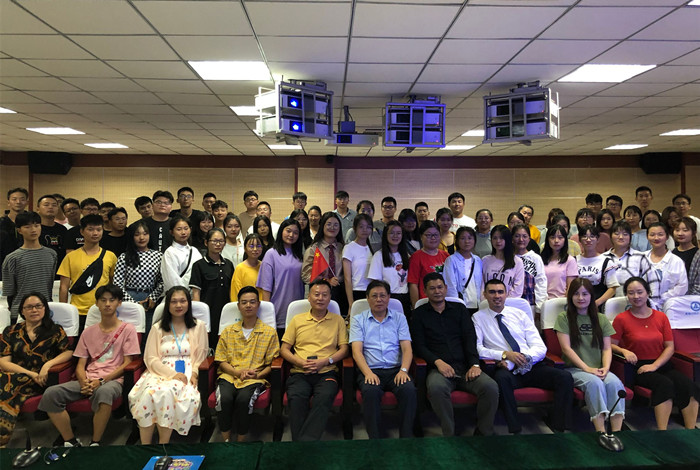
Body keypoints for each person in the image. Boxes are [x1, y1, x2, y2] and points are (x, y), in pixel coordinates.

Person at [39, 285, 140, 447]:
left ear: (119, 303)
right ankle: (70, 440)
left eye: (112, 300)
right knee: (51, 393)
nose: (107, 304)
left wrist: (101, 381)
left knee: (105, 392)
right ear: (97, 304)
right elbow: (80, 364)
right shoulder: (88, 332)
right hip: (87, 379)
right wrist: (83, 382)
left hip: (113, 380)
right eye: (103, 300)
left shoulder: (128, 329)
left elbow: (128, 362)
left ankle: (95, 442)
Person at [473, 279, 573, 434]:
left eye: (500, 292)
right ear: (485, 295)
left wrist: (521, 359)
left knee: (564, 377)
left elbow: (540, 346)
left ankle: (558, 426)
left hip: (531, 366)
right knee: (501, 379)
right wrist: (505, 355)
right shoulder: (478, 318)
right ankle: (515, 429)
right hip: (506, 370)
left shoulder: (520, 314)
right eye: (492, 292)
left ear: (506, 294)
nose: (497, 296)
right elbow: (478, 349)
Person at [412, 273, 499, 436]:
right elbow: (419, 346)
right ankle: (449, 433)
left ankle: (483, 432)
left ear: (446, 288)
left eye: (440, 287)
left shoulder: (459, 310)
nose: (437, 291)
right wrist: (438, 362)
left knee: (490, 387)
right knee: (436, 388)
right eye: (432, 288)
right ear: (425, 291)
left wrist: (474, 364)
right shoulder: (419, 314)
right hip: (438, 369)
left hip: (465, 367)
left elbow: (470, 338)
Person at [612, 277, 700, 430]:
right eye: (631, 293)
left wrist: (655, 365)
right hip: (637, 367)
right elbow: (610, 345)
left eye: (640, 292)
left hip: (661, 364)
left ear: (648, 293)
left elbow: (669, 347)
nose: (636, 296)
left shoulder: (661, 317)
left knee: (687, 385)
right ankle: (662, 431)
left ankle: (691, 430)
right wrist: (623, 350)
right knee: (664, 384)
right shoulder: (621, 319)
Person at [129, 286, 208, 444]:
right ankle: (145, 445)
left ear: (189, 303)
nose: (178, 305)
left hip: (187, 370)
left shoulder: (198, 326)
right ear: (167, 305)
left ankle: (162, 444)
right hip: (159, 371)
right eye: (174, 302)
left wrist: (194, 373)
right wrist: (172, 374)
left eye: (182, 301)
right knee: (149, 393)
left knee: (166, 392)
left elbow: (201, 354)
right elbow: (151, 358)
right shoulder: (158, 327)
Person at [0, 292, 72, 447]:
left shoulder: (55, 330)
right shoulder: (10, 331)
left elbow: (68, 352)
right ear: (22, 310)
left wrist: (47, 365)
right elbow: (4, 362)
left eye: (38, 306)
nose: (34, 310)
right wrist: (30, 373)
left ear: (45, 308)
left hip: (41, 380)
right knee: (7, 381)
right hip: (14, 377)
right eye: (29, 307)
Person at [280, 280, 349, 441]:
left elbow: (344, 349)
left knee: (324, 398)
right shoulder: (297, 320)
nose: (320, 298)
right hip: (300, 372)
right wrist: (299, 362)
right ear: (309, 298)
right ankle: (305, 444)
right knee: (296, 398)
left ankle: (303, 444)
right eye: (316, 294)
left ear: (330, 298)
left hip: (327, 372)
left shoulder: (338, 320)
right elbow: (284, 349)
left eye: (325, 295)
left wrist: (326, 361)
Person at [555, 279, 625, 435]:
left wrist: (606, 368)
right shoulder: (563, 317)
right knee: (594, 383)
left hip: (599, 368)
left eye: (585, 294)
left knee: (615, 384)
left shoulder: (601, 319)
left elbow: (607, 348)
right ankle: (601, 432)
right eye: (576, 294)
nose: (581, 298)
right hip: (574, 369)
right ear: (570, 297)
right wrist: (587, 368)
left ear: (591, 296)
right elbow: (566, 349)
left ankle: (617, 433)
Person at [350, 280, 416, 439]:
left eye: (382, 296)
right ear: (367, 298)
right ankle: (375, 439)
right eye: (374, 296)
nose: (379, 299)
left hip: (396, 370)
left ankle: (406, 437)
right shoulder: (358, 320)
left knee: (408, 390)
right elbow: (357, 352)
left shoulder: (399, 318)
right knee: (370, 392)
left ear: (389, 297)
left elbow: (407, 349)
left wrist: (404, 370)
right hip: (371, 370)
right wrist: (368, 373)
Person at [215, 286, 279, 442]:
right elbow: (221, 360)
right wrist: (236, 373)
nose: (248, 305)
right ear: (238, 306)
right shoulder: (228, 332)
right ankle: (226, 441)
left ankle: (240, 441)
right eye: (244, 302)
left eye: (252, 302)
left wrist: (257, 375)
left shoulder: (269, 332)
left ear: (258, 304)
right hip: (230, 376)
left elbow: (271, 364)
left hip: (254, 378)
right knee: (224, 399)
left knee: (244, 400)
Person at [58, 214, 118, 332]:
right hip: (77, 311)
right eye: (90, 229)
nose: (95, 233)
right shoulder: (70, 257)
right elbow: (63, 287)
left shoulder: (110, 256)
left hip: (102, 310)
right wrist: (64, 310)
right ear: (82, 231)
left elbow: (113, 284)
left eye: (98, 229)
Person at [1, 212, 57, 321]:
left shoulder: (51, 254)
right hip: (20, 313)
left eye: (37, 225)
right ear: (19, 230)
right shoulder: (12, 258)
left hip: (45, 310)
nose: (33, 230)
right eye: (27, 227)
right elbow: (9, 292)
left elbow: (49, 284)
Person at [257, 219, 305, 337]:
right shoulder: (271, 254)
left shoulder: (299, 255)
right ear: (281, 231)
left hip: (297, 309)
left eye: (295, 232)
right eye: (288, 231)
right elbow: (266, 287)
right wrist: (267, 314)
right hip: (278, 310)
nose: (291, 235)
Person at [113, 221, 164, 332]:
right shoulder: (124, 257)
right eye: (137, 234)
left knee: (148, 332)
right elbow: (117, 283)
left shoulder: (158, 256)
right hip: (129, 297)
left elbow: (163, 281)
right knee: (129, 332)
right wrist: (133, 303)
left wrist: (153, 297)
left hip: (150, 300)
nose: (142, 237)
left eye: (145, 234)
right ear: (131, 237)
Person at [190, 228, 234, 348]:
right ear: (206, 242)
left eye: (221, 241)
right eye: (214, 241)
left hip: (225, 313)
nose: (218, 244)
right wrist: (197, 316)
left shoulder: (229, 264)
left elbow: (232, 290)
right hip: (207, 312)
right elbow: (196, 293)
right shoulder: (199, 265)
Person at [302, 212, 346, 314]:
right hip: (320, 294)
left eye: (336, 225)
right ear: (322, 226)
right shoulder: (313, 249)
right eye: (329, 224)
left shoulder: (343, 248)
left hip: (341, 293)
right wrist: (326, 281)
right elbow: (306, 276)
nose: (332, 227)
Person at [367, 220, 411, 317]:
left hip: (405, 298)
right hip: (387, 299)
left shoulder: (406, 255)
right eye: (391, 233)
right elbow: (375, 283)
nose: (395, 236)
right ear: (385, 235)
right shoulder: (378, 256)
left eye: (398, 233)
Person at [643, 222, 687, 310]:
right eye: (652, 235)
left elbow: (682, 287)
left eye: (660, 234)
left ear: (667, 237)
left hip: (669, 307)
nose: (656, 238)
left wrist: (661, 298)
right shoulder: (641, 258)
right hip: (642, 306)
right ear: (647, 237)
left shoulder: (676, 261)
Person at [407, 221, 449, 308]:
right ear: (421, 237)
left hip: (445, 302)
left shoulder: (446, 256)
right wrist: (416, 306)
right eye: (429, 235)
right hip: (426, 303)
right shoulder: (416, 257)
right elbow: (413, 284)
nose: (433, 238)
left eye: (436, 235)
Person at [576, 225, 619, 309]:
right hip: (578, 305)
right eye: (584, 236)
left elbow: (613, 288)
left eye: (592, 236)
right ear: (580, 239)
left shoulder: (606, 261)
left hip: (598, 306)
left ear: (598, 239)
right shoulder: (573, 260)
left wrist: (597, 303)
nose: (588, 240)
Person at [604, 220, 651, 297]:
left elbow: (650, 283)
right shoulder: (603, 258)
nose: (621, 237)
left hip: (634, 300)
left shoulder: (640, 257)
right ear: (611, 236)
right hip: (607, 302)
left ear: (630, 237)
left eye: (625, 234)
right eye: (617, 234)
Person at [443, 226, 483, 314]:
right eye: (463, 238)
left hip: (477, 304)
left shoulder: (477, 260)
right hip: (460, 305)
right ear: (457, 241)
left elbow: (481, 284)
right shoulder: (451, 260)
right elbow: (450, 285)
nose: (467, 241)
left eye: (470, 238)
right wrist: (455, 305)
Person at [512, 224, 547, 318]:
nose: (521, 239)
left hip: (530, 304)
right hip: (512, 304)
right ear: (512, 238)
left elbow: (541, 282)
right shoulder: (509, 258)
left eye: (524, 236)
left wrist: (539, 307)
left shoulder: (535, 258)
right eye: (517, 236)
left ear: (529, 238)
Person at [482, 224, 525, 298]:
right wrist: (486, 302)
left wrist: (503, 303)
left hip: (509, 303)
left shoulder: (517, 262)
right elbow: (482, 286)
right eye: (495, 238)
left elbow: (517, 290)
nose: (498, 241)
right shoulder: (485, 260)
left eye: (501, 238)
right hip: (487, 302)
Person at [161, 216, 202, 291]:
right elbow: (172, 281)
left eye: (186, 229)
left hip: (196, 293)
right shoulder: (170, 253)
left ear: (190, 230)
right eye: (179, 229)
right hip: (178, 294)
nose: (183, 232)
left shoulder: (194, 251)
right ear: (171, 232)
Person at [343, 214, 374, 309]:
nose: (365, 230)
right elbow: (347, 278)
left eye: (368, 227)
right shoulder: (349, 248)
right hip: (356, 291)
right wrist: (350, 303)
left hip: (372, 292)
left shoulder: (372, 248)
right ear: (355, 228)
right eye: (361, 227)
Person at [541, 224, 579, 299]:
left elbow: (570, 287)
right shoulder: (540, 259)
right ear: (547, 239)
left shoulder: (570, 260)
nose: (556, 241)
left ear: (565, 240)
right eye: (552, 237)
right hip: (542, 300)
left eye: (560, 237)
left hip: (561, 300)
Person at [0, 188, 29, 274]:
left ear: (27, 202)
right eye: (14, 199)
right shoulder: (1, 223)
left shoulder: (32, 223)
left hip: (27, 268)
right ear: (8, 202)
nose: (18, 202)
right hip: (4, 269)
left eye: (22, 199)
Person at [37, 194, 68, 270]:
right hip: (40, 269)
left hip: (60, 269)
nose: (50, 207)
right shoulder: (34, 229)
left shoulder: (62, 229)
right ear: (38, 209)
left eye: (54, 205)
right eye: (46, 205)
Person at [231, 233, 264, 301]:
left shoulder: (264, 266)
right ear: (245, 248)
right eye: (251, 246)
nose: (255, 249)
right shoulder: (240, 268)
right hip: (245, 305)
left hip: (262, 305)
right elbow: (235, 294)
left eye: (258, 246)